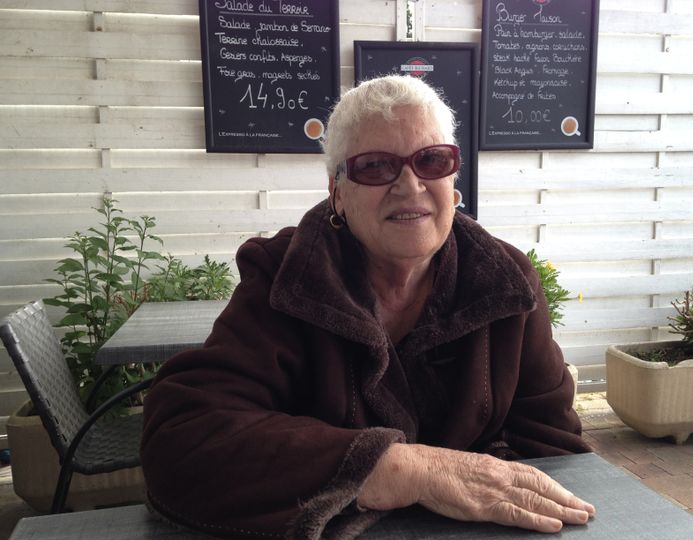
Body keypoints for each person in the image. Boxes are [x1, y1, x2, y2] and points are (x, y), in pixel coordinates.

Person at [141, 74, 594, 539]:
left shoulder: (506, 280)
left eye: (432, 160)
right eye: (376, 166)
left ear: (453, 177)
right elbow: (182, 440)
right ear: (337, 191)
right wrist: (394, 467)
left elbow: (554, 453)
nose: (410, 185)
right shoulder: (285, 279)